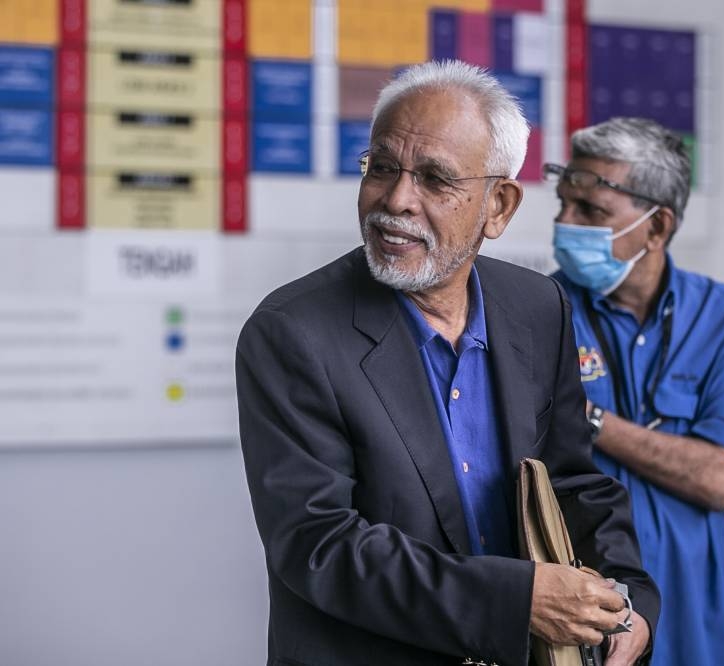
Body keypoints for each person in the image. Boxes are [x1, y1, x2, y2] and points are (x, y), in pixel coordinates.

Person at [236, 61, 658, 666]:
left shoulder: (538, 307)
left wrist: (627, 602)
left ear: (499, 206)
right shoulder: (291, 333)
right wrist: (516, 602)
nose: (396, 200)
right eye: (382, 167)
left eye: (435, 179)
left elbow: (573, 481)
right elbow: (319, 545)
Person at [546, 117, 724, 666]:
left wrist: (591, 418)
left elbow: (722, 478)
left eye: (591, 212)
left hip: (695, 629)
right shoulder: (537, 312)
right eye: (563, 203)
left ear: (657, 226)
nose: (564, 223)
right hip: (584, 622)